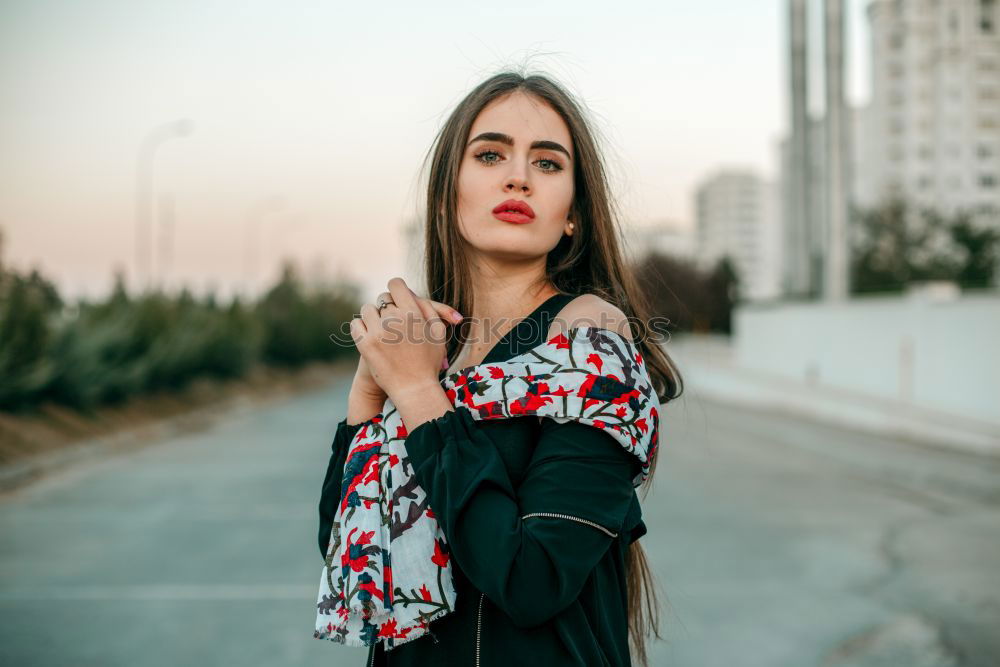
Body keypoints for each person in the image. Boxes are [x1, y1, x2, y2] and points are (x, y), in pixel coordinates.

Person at [317, 70, 683, 667]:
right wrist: (369, 397)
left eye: (547, 164)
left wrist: (415, 393)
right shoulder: (433, 351)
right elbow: (354, 558)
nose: (518, 176)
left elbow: (531, 579)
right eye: (490, 154)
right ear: (446, 193)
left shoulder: (591, 345)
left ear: (574, 217)